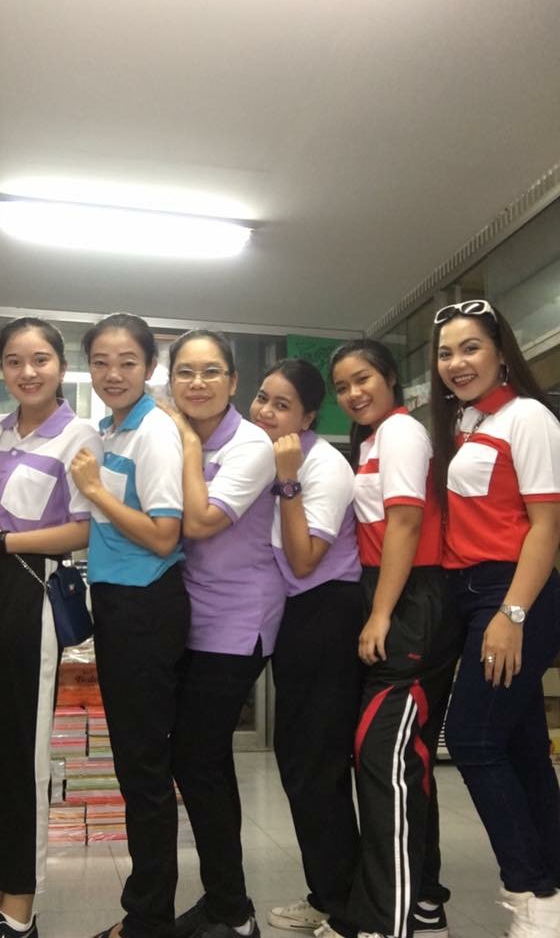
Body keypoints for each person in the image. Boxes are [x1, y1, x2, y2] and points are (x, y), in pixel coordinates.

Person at [0, 317, 102, 938]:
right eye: (13, 360)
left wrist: (4, 540)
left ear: (60, 367)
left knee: (20, 753)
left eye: (39, 360)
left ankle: (19, 913)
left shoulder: (80, 436)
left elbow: (86, 527)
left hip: (29, 588)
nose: (26, 372)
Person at [321, 339, 464, 938]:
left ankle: (387, 920)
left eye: (363, 379)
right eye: (342, 387)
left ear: (390, 379)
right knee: (406, 761)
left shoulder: (402, 432)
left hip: (411, 602)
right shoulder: (374, 440)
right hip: (394, 594)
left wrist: (381, 615)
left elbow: (406, 522)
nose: (353, 393)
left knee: (384, 763)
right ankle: (423, 900)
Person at [430, 300, 560, 937]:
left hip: (511, 594)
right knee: (523, 746)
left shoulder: (528, 416)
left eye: (471, 347)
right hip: (471, 593)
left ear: (502, 353)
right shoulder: (467, 421)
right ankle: (552, 884)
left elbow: (546, 525)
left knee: (474, 741)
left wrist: (511, 613)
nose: (457, 363)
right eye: (446, 352)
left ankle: (530, 895)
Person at [69, 313, 190, 938]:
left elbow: (165, 535)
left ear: (149, 368)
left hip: (146, 606)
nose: (112, 374)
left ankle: (148, 919)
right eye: (101, 362)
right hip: (119, 604)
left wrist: (97, 491)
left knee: (142, 769)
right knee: (135, 764)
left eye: (127, 363)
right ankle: (148, 910)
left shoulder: (154, 432)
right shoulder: (110, 430)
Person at [164, 330, 286, 938]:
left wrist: (188, 444)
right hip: (188, 614)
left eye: (211, 371)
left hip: (238, 619)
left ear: (233, 382)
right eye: (185, 372)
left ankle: (231, 909)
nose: (198, 383)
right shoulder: (169, 434)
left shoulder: (251, 444)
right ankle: (226, 904)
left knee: (195, 756)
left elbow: (200, 520)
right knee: (204, 759)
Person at [247, 359, 363, 932]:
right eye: (262, 397)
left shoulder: (323, 465)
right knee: (298, 762)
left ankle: (346, 906)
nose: (266, 411)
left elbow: (302, 560)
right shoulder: (265, 457)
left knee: (317, 764)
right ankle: (328, 892)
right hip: (297, 617)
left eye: (282, 404)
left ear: (309, 417)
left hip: (329, 614)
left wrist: (289, 482)